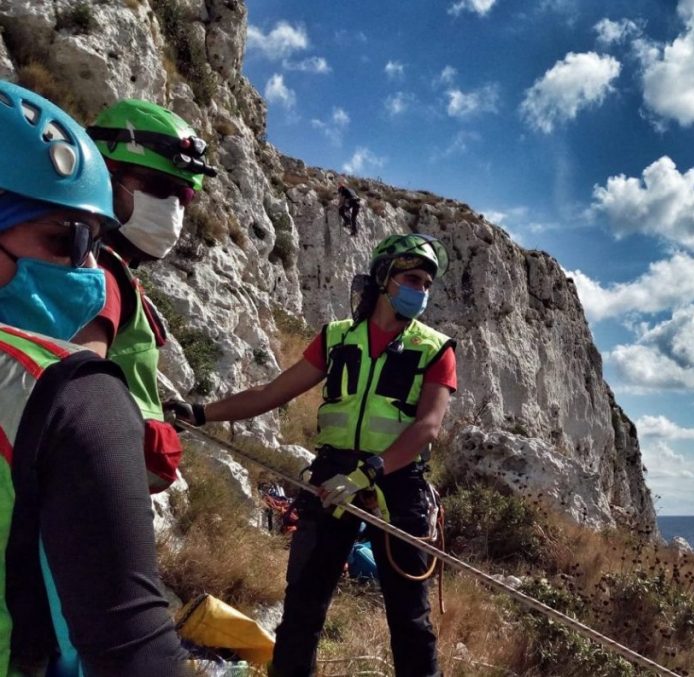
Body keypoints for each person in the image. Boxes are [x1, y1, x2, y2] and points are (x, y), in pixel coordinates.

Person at [166, 233, 456, 677]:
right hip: (331, 475)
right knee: (303, 605)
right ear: (384, 277)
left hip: (397, 484)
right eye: (412, 278)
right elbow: (271, 392)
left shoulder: (435, 348)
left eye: (426, 284)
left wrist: (368, 475)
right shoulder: (338, 339)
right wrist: (202, 412)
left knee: (409, 619)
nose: (421, 290)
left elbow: (427, 426)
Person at [0, 80, 186, 675]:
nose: (84, 268)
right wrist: (118, 435)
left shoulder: (116, 281)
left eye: (94, 242)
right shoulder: (66, 383)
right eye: (159, 189)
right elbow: (76, 377)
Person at [72, 99, 217, 493]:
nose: (172, 207)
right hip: (89, 493)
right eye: (156, 187)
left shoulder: (108, 270)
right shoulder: (97, 278)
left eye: (182, 196)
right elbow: (73, 404)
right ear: (102, 174)